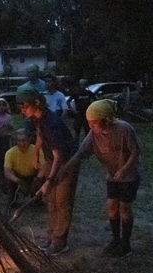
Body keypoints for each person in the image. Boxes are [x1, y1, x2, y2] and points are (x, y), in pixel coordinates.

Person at [60, 99, 142, 257]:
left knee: (124, 208)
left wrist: (124, 170)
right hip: (112, 174)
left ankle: (126, 244)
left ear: (105, 120)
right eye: (89, 123)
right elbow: (81, 153)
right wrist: (65, 169)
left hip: (129, 175)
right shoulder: (94, 134)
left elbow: (135, 151)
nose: (90, 126)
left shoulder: (124, 129)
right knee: (111, 206)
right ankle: (115, 239)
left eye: (94, 123)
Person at [16, 85, 79, 256]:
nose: (23, 109)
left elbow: (59, 155)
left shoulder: (51, 122)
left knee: (61, 202)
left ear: (36, 103)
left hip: (67, 161)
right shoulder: (38, 118)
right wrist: (36, 153)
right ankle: (51, 236)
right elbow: (40, 135)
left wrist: (49, 181)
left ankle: (60, 242)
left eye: (25, 106)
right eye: (20, 106)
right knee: (51, 201)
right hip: (53, 159)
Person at [4, 129, 45, 208]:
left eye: (24, 140)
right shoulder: (10, 152)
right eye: (19, 141)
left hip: (33, 175)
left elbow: (43, 167)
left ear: (29, 140)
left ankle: (37, 199)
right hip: (18, 176)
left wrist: (38, 179)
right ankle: (13, 199)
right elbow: (7, 172)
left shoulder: (37, 150)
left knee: (43, 178)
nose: (21, 143)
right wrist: (18, 181)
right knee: (9, 179)